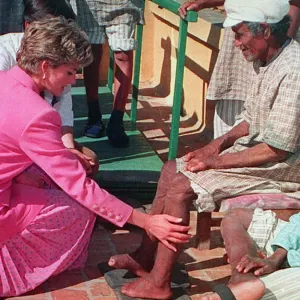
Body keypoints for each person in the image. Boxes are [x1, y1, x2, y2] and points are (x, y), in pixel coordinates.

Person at [108, 0, 300, 298]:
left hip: (284, 168)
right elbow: (251, 120)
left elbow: (277, 150)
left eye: (240, 35)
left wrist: (215, 163)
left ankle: (159, 282)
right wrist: (214, 145)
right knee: (172, 167)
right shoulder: (265, 59)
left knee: (182, 185)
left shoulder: (294, 69)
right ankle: (145, 258)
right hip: (264, 154)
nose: (236, 43)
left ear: (264, 30)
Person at [0, 16, 191, 297]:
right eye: (70, 72)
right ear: (44, 67)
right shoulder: (37, 114)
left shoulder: (5, 81)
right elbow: (79, 187)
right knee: (79, 207)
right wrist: (146, 221)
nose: (74, 80)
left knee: (65, 172)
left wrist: (20, 176)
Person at [0, 0, 100, 177]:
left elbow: (64, 116)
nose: (60, 40)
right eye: (54, 33)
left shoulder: (61, 60)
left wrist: (69, 151)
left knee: (88, 161)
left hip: (38, 141)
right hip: (10, 148)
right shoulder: (4, 53)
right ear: (29, 26)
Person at [179, 0, 300, 138]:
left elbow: (294, 4)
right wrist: (202, 3)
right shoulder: (238, 39)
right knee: (231, 113)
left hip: (268, 38)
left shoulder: (289, 64)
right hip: (244, 40)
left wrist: (276, 53)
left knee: (266, 122)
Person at [68, 0, 144, 147]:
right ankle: (94, 114)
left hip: (123, 4)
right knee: (91, 52)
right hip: (89, 4)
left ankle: (117, 119)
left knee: (123, 53)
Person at [200, 207, 300, 300]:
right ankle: (242, 279)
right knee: (235, 217)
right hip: (288, 246)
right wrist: (275, 259)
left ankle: (237, 293)